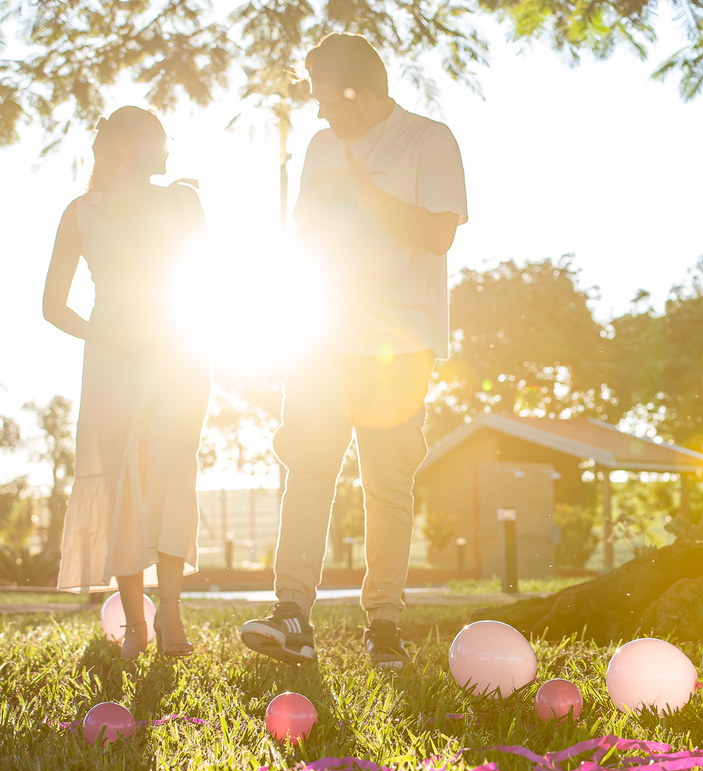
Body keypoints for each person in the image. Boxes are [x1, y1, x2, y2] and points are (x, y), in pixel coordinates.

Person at [239, 33, 467, 669]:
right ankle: (292, 615)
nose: (318, 114)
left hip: (397, 344)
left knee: (386, 484)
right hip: (320, 337)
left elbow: (436, 233)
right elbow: (308, 242)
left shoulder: (428, 140)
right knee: (308, 470)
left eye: (326, 100)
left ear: (361, 94)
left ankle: (384, 624)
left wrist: (360, 189)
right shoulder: (320, 146)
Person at [43, 106, 209, 659]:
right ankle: (136, 625)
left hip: (179, 352)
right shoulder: (80, 213)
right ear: (120, 149)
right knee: (122, 485)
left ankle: (174, 619)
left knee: (169, 475)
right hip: (113, 363)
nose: (165, 147)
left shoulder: (183, 200)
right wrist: (110, 337)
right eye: (152, 138)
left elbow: (201, 275)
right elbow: (52, 306)